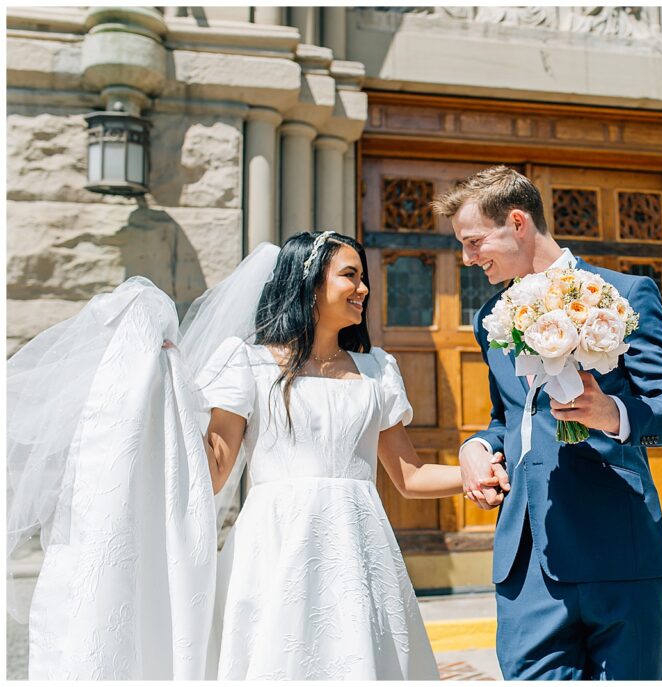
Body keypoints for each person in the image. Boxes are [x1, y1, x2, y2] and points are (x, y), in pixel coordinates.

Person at [7, 231, 500, 680]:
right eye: (350, 275)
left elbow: (409, 476)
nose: (363, 288)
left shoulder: (378, 370)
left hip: (360, 546)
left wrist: (478, 474)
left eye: (363, 277)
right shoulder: (246, 362)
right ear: (307, 281)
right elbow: (215, 471)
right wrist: (165, 387)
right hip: (274, 547)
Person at [433, 166, 662, 680]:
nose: (468, 259)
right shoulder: (491, 318)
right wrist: (476, 446)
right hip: (526, 560)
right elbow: (509, 417)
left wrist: (613, 413)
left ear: (517, 222)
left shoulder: (624, 295)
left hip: (618, 552)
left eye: (473, 242)